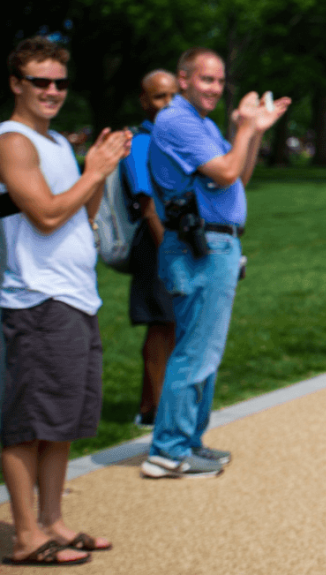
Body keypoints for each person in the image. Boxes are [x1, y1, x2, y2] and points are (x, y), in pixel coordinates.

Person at [0, 36, 130, 565]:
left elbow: (83, 212)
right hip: (37, 299)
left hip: (75, 297)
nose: (53, 91)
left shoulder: (54, 141)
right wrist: (93, 170)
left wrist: (103, 169)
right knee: (28, 421)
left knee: (61, 421)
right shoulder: (12, 141)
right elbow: (47, 214)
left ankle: (53, 521)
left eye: (60, 82)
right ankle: (27, 535)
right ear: (17, 84)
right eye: (41, 81)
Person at [140, 47, 291, 479]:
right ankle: (167, 449)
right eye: (206, 79)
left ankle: (188, 441)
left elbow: (238, 174)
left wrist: (254, 131)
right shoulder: (177, 120)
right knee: (194, 351)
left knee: (205, 351)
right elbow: (225, 173)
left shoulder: (202, 123)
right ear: (183, 79)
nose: (215, 88)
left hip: (215, 245)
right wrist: (243, 126)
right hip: (198, 246)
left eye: (220, 81)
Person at [123, 69, 179, 428]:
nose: (168, 103)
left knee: (170, 325)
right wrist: (171, 253)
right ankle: (157, 410)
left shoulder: (169, 138)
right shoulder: (141, 142)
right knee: (161, 325)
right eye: (160, 97)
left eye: (173, 95)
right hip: (155, 242)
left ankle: (149, 406)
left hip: (170, 239)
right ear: (145, 101)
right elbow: (147, 207)